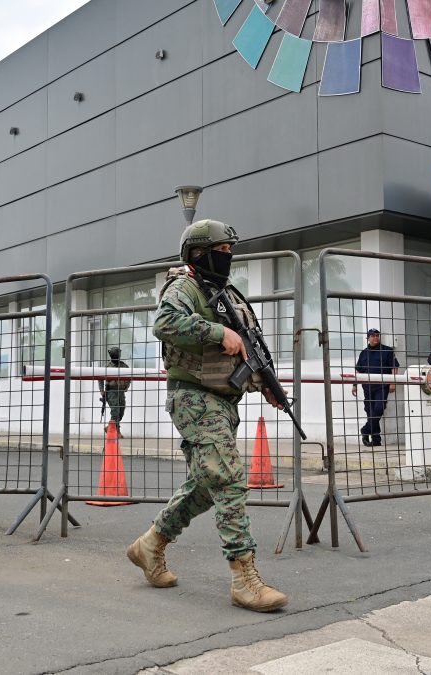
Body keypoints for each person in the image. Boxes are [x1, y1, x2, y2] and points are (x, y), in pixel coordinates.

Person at [126, 219, 287, 613]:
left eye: (230, 251)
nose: (228, 257)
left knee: (205, 483)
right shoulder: (185, 287)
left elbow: (251, 346)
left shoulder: (225, 293)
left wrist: (267, 383)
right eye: (222, 250)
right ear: (200, 253)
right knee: (229, 476)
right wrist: (218, 334)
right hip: (194, 397)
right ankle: (244, 578)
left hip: (224, 400)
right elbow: (164, 323)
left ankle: (150, 546)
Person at [351, 328, 400, 447]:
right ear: (368, 338)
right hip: (367, 387)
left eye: (377, 335)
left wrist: (393, 383)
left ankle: (365, 429)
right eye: (372, 336)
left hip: (382, 386)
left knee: (379, 408)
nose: (375, 337)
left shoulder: (387, 351)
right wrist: (354, 385)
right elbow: (358, 370)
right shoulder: (364, 353)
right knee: (370, 411)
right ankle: (376, 439)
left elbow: (394, 367)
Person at [99, 346, 131, 434]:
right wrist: (102, 390)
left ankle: (109, 427)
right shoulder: (107, 366)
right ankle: (116, 431)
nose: (117, 356)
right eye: (116, 355)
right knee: (115, 411)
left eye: (118, 355)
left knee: (121, 411)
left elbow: (129, 377)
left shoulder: (124, 366)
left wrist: (126, 386)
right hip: (111, 392)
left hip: (121, 392)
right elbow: (100, 378)